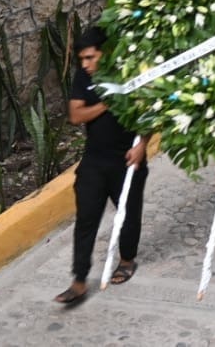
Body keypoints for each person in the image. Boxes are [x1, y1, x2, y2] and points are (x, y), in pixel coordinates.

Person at [54, 26, 149, 305]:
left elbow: (149, 114)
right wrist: (108, 101)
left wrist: (142, 145)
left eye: (90, 58)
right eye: (82, 59)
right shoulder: (84, 77)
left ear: (105, 54)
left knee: (129, 216)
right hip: (94, 160)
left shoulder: (130, 72)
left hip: (127, 159)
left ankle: (127, 260)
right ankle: (79, 281)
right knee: (86, 219)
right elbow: (75, 114)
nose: (85, 64)